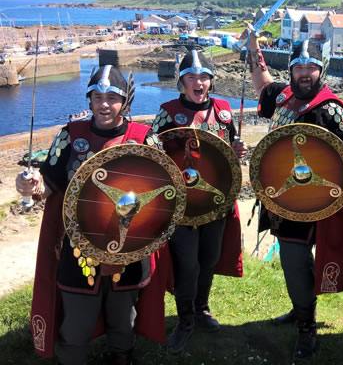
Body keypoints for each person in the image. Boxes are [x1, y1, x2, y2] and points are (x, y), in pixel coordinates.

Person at [17, 65, 168, 365]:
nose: (103, 104)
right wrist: (30, 186)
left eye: (111, 97)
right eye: (96, 96)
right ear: (89, 100)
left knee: (123, 319)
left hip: (129, 252)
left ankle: (122, 357)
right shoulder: (70, 136)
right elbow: (49, 186)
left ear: (124, 101)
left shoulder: (144, 138)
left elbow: (163, 194)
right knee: (76, 324)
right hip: (78, 250)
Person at [245, 30, 343, 361]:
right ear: (291, 70)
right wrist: (254, 48)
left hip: (314, 203)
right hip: (281, 198)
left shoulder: (330, 111)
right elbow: (261, 83)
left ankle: (307, 329)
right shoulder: (283, 96)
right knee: (293, 262)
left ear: (321, 69)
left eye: (311, 67)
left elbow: (341, 165)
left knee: (295, 263)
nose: (305, 73)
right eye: (298, 66)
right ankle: (301, 309)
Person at [152, 50, 247, 354]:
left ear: (211, 81)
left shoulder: (223, 109)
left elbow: (228, 151)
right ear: (181, 82)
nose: (199, 82)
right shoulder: (167, 112)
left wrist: (237, 149)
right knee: (187, 263)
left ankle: (202, 308)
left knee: (208, 259)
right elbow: (153, 154)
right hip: (182, 205)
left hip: (216, 202)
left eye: (204, 76)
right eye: (191, 77)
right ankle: (185, 321)